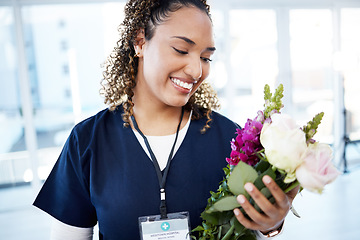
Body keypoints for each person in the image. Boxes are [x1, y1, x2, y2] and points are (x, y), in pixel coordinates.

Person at [33, 0, 299, 239]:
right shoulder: (88, 141)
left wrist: (270, 226)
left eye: (206, 57)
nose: (197, 70)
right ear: (140, 42)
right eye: (181, 50)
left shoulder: (230, 140)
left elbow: (246, 229)